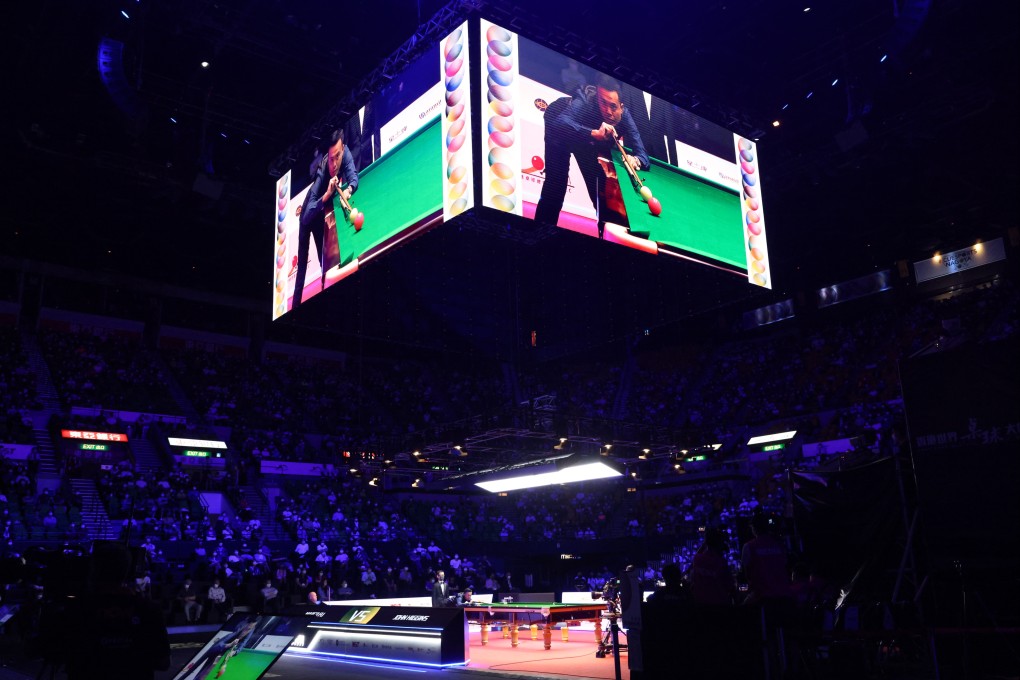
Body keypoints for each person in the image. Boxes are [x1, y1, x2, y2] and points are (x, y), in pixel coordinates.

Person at [534, 74, 649, 231]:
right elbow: (561, 122)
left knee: (598, 189)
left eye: (613, 106)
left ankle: (608, 236)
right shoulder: (586, 99)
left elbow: (643, 156)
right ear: (598, 97)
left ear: (621, 107)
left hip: (586, 141)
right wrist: (595, 133)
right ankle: (538, 232)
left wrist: (636, 160)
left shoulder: (625, 117)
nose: (608, 111)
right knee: (556, 185)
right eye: (603, 102)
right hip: (559, 129)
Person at [61, 542, 171, 679]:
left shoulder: (77, 609)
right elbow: (163, 662)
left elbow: (57, 655)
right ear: (128, 570)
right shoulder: (148, 609)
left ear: (93, 570)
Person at [292, 128, 360, 309]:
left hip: (322, 213)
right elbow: (306, 217)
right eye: (331, 159)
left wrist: (348, 189)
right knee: (301, 274)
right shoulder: (323, 172)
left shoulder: (344, 155)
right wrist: (328, 194)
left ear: (342, 148)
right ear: (326, 157)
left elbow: (353, 176)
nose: (335, 163)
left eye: (338, 156)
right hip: (310, 213)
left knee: (326, 262)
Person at [689, 529, 736, 606]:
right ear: (720, 543)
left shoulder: (697, 559)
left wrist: (706, 543)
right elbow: (730, 587)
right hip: (719, 604)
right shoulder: (721, 562)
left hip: (700, 604)